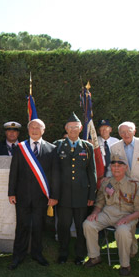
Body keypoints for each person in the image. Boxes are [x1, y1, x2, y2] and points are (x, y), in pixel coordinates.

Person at [8, 119, 60, 269]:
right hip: (22, 196)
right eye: (32, 127)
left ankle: (37, 254)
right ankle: (18, 256)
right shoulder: (20, 148)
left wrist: (54, 196)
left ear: (43, 131)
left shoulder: (52, 149)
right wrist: (11, 192)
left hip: (42, 197)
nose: (35, 130)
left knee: (38, 225)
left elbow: (55, 175)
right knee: (22, 225)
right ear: (28, 130)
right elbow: (14, 172)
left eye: (38, 128)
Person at [83, 154, 139, 276]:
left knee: (122, 231)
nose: (116, 168)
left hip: (127, 215)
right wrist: (95, 213)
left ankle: (125, 264)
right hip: (107, 214)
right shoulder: (106, 182)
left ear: (126, 167)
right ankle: (94, 256)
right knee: (88, 224)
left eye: (119, 166)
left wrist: (127, 218)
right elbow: (100, 201)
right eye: (113, 165)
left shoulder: (134, 185)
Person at [53, 113, 96, 265]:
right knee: (63, 226)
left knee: (80, 226)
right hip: (63, 195)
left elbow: (92, 172)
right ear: (66, 128)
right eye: (70, 127)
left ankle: (80, 255)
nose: (73, 130)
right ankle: (63, 254)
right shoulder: (57, 145)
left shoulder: (87, 146)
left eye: (76, 127)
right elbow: (54, 171)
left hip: (82, 195)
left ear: (81, 129)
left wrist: (92, 195)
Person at [111, 121, 139, 244]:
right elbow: (113, 169)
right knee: (128, 220)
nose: (126, 134)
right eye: (122, 132)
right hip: (125, 190)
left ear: (134, 131)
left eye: (129, 130)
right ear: (119, 134)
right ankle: (130, 248)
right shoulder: (115, 148)